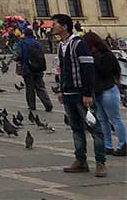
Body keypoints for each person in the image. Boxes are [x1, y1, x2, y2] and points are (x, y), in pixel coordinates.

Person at [52, 13, 105, 177]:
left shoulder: (79, 44)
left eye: (55, 24)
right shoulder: (61, 46)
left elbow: (88, 69)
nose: (52, 26)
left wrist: (88, 93)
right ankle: (81, 161)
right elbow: (61, 70)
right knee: (76, 129)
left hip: (81, 94)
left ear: (64, 26)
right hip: (68, 94)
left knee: (94, 129)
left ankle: (100, 162)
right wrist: (61, 90)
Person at [82, 31, 126, 157]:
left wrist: (93, 60)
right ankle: (108, 145)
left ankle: (123, 144)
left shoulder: (106, 55)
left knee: (115, 119)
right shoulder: (91, 55)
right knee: (102, 120)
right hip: (97, 91)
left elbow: (106, 71)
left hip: (108, 90)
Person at [14, 27, 52, 112]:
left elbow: (18, 56)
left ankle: (32, 106)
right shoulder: (38, 43)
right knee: (40, 87)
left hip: (28, 69)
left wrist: (16, 58)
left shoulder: (22, 43)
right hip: (39, 69)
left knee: (30, 88)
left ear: (25, 35)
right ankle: (48, 104)